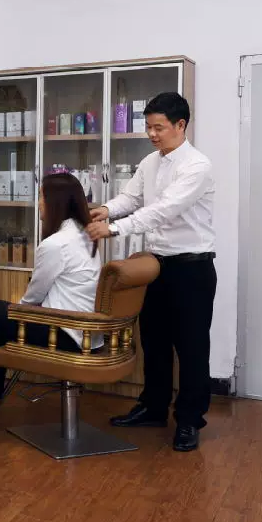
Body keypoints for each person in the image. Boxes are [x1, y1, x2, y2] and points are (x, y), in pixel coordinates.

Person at [87, 91, 216, 452]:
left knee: (191, 346)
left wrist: (115, 229)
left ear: (180, 125)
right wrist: (107, 210)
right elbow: (132, 198)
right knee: (154, 340)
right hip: (155, 265)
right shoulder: (150, 162)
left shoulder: (197, 166)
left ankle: (189, 419)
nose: (152, 134)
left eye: (158, 127)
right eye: (149, 127)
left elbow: (163, 210)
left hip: (192, 268)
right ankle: (154, 407)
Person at [0, 172, 99, 427]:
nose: (39, 203)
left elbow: (32, 298)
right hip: (84, 331)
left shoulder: (57, 244)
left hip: (65, 333)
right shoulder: (84, 235)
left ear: (55, 202)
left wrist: (16, 309)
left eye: (41, 197)